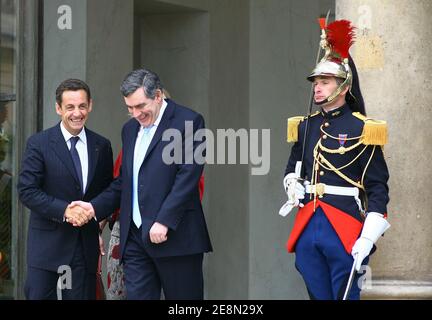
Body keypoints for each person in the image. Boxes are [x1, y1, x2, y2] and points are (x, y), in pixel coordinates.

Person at [71, 68, 212, 300]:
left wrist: (164, 221)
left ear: (158, 96)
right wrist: (94, 207)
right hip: (135, 239)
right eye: (129, 108)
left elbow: (188, 177)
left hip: (176, 238)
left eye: (140, 106)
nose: (135, 114)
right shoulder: (129, 129)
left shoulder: (189, 121)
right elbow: (124, 183)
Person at [280, 19, 390, 300]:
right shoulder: (306, 125)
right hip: (308, 220)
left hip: (344, 224)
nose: (317, 88)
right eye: (316, 82)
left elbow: (377, 187)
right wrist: (292, 183)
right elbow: (293, 167)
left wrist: (368, 236)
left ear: (342, 87)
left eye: (324, 82)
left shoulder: (362, 128)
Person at [17, 79, 113, 299]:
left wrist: (94, 216)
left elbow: (108, 191)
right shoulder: (39, 143)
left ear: (90, 105)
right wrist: (65, 211)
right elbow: (27, 190)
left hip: (84, 247)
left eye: (82, 106)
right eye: (70, 107)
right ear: (58, 108)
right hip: (46, 247)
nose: (77, 113)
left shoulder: (102, 145)